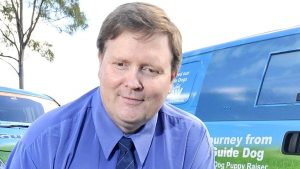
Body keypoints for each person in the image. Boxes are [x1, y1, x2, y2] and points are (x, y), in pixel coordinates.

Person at [6, 2, 215, 169]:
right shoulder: (45, 140)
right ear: (100, 63)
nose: (133, 83)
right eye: (121, 64)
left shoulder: (191, 141)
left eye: (150, 70)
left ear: (171, 79)